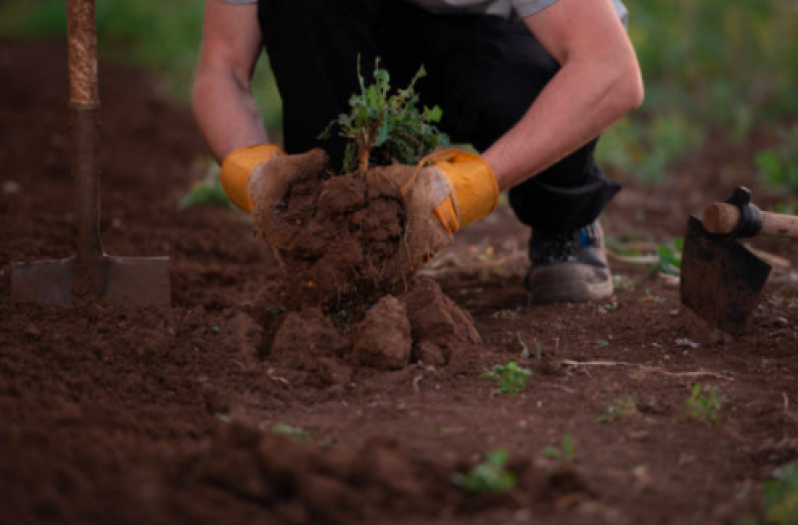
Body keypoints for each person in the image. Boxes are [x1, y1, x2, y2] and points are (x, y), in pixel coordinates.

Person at [192, 0, 644, 304]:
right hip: (371, 31)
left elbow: (608, 68)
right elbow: (222, 65)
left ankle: (562, 216)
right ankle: (345, 238)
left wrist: (473, 185)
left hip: (499, 38)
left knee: (526, 84)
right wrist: (248, 170)